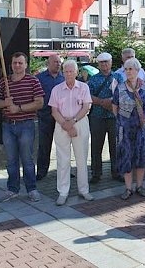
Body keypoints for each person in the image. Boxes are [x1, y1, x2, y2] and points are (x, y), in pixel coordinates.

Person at [0, 52, 45, 202]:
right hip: (8, 126)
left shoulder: (33, 81)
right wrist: (5, 103)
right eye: (15, 63)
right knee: (11, 160)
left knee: (27, 159)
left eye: (20, 63)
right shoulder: (4, 82)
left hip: (26, 125)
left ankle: (31, 189)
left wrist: (19, 108)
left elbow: (39, 102)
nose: (17, 65)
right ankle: (12, 189)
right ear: (10, 64)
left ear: (26, 65)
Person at [48, 60, 94, 205]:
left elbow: (86, 107)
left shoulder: (84, 87)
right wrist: (66, 125)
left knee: (81, 158)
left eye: (71, 71)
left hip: (79, 123)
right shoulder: (56, 89)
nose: (68, 74)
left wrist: (72, 122)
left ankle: (84, 190)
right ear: (63, 72)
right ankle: (63, 192)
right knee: (63, 159)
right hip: (62, 124)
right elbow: (54, 110)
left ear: (76, 72)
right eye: (66, 71)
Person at [112, 57, 145, 200]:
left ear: (138, 70)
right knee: (126, 156)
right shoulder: (120, 87)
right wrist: (122, 121)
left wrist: (143, 119)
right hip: (125, 128)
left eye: (130, 69)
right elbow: (115, 106)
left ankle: (140, 186)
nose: (128, 71)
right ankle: (128, 188)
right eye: (126, 69)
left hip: (142, 129)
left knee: (141, 156)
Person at [88, 52, 121, 183]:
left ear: (111, 62)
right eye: (102, 62)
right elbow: (88, 96)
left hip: (114, 116)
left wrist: (112, 102)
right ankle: (96, 173)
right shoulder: (93, 79)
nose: (104, 64)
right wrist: (103, 102)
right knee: (96, 146)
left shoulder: (119, 77)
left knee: (116, 145)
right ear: (98, 64)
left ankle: (117, 172)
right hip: (97, 116)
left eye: (106, 61)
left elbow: (123, 93)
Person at [35, 54, 64, 180]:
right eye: (55, 62)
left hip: (62, 117)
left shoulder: (64, 78)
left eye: (59, 62)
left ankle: (64, 170)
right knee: (44, 145)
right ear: (48, 63)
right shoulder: (39, 78)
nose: (57, 64)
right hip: (45, 116)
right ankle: (42, 171)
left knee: (63, 145)